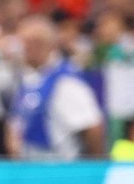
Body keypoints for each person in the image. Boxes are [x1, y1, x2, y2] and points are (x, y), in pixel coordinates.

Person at [7, 14, 105, 159]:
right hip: (30, 168)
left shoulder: (66, 82)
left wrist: (93, 169)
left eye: (35, 42)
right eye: (24, 42)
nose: (27, 48)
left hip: (58, 169)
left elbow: (92, 128)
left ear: (51, 44)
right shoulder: (29, 79)